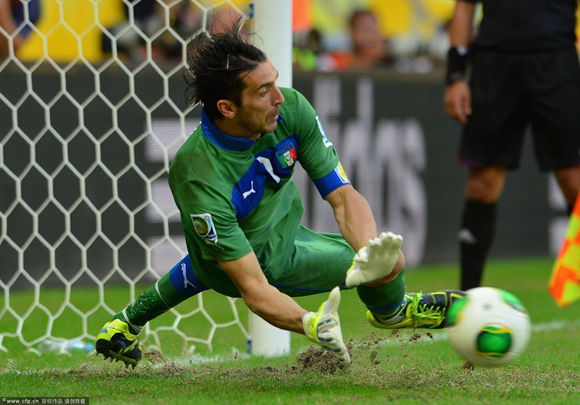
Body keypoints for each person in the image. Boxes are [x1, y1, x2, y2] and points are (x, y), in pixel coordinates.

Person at [96, 26, 463, 367]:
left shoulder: (289, 109)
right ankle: (393, 311)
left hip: (273, 230)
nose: (278, 98)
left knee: (382, 260)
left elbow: (343, 195)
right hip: (266, 260)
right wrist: (309, 323)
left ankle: (121, 326)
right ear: (227, 108)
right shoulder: (199, 175)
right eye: (262, 91)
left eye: (274, 82)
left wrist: (368, 252)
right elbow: (254, 287)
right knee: (393, 263)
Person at [443, 0, 580, 290]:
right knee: (482, 184)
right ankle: (468, 299)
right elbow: (465, 6)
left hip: (557, 64)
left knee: (573, 181)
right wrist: (455, 76)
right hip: (493, 66)